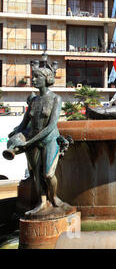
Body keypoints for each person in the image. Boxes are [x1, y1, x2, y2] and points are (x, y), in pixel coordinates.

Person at [8, 63, 65, 215]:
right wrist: (13, 135)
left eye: (37, 77)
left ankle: (54, 197)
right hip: (32, 142)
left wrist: (29, 142)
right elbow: (23, 124)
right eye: (34, 77)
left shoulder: (56, 99)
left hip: (49, 140)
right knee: (37, 176)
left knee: (48, 174)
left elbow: (51, 126)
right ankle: (41, 202)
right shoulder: (33, 101)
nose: (34, 80)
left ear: (47, 79)